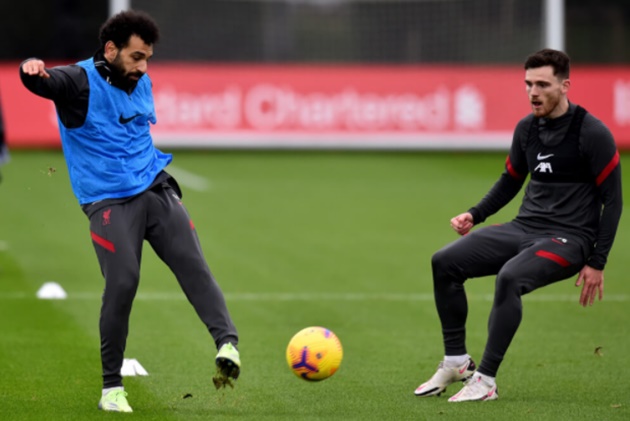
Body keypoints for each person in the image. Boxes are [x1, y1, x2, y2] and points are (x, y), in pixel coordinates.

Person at [20, 10, 240, 413]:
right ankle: (111, 388)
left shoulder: (141, 79)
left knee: (193, 263)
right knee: (123, 282)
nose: (143, 66)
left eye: (148, 58)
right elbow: (44, 81)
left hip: (153, 187)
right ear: (111, 49)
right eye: (137, 57)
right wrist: (29, 69)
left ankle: (228, 344)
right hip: (106, 200)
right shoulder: (79, 82)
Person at [414, 49, 622, 402]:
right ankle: (456, 362)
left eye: (542, 84)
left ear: (565, 85)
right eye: (528, 84)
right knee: (444, 262)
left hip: (569, 238)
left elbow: (614, 201)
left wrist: (597, 261)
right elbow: (510, 180)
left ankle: (486, 380)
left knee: (510, 277)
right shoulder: (527, 129)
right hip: (524, 227)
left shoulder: (592, 133)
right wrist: (475, 214)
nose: (533, 92)